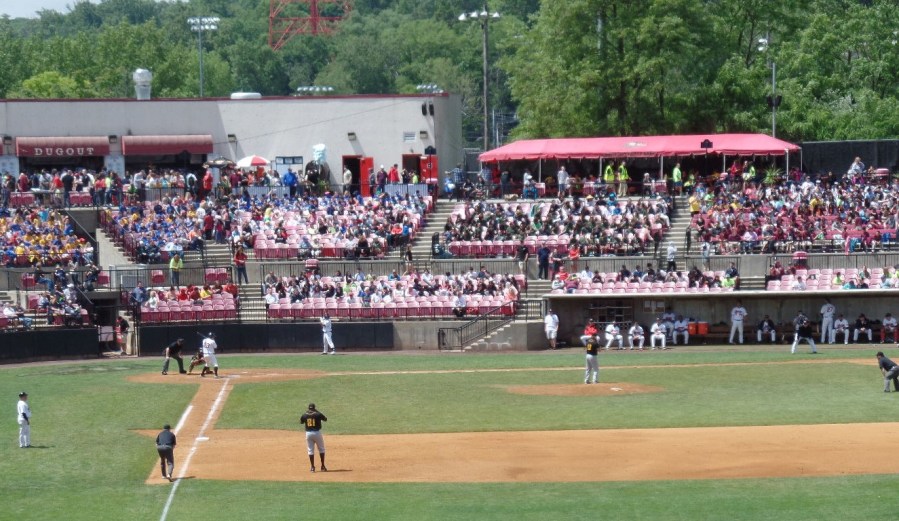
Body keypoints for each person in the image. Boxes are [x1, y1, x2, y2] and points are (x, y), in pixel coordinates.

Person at [299, 403, 328, 472]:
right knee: (321, 449)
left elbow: (301, 422)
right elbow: (325, 419)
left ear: (309, 408)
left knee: (310, 450)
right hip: (317, 433)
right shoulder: (318, 414)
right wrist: (317, 412)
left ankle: (312, 467)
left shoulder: (304, 415)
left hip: (308, 434)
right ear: (314, 408)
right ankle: (323, 466)